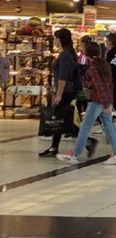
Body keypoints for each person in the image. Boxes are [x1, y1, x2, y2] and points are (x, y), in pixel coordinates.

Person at [57, 43, 116, 165]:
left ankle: (75, 154)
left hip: (97, 101)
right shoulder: (105, 65)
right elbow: (108, 84)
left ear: (86, 53)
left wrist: (105, 104)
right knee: (108, 126)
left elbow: (99, 86)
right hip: (106, 99)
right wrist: (108, 102)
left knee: (85, 127)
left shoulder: (93, 68)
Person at [39, 28, 79, 158]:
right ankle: (54, 147)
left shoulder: (65, 55)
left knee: (59, 118)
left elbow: (63, 77)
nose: (55, 40)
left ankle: (87, 140)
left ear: (60, 39)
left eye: (56, 38)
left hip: (65, 91)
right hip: (67, 90)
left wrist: (59, 94)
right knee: (61, 118)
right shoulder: (69, 53)